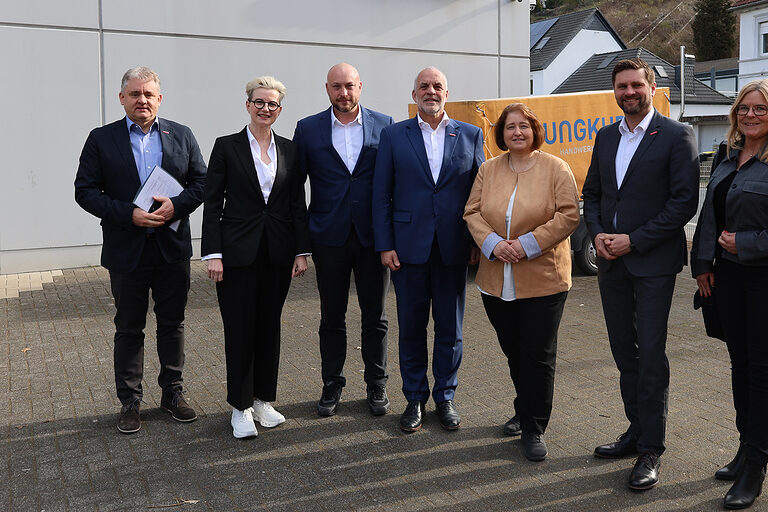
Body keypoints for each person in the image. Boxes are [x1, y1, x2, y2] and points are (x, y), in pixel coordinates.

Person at [581, 58, 699, 489]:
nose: (629, 92)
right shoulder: (606, 136)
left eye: (635, 85)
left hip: (652, 263)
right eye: (621, 86)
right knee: (622, 351)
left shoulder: (675, 135)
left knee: (650, 354)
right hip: (611, 262)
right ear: (614, 91)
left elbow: (683, 203)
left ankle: (652, 448)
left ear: (650, 86)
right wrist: (597, 234)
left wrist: (634, 239)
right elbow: (592, 193)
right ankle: (635, 430)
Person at [74, 66, 206, 434]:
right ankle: (130, 401)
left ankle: (172, 394)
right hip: (126, 250)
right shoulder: (101, 139)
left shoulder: (181, 134)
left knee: (172, 323)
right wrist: (127, 214)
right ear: (122, 99)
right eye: (134, 94)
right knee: (129, 327)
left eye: (148, 94)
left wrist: (176, 207)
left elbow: (202, 182)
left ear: (159, 99)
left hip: (171, 248)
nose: (142, 100)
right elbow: (85, 191)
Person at [463, 103, 579, 461]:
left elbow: (569, 214)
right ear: (501, 134)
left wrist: (526, 245)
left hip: (543, 279)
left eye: (523, 126)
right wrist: (495, 244)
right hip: (497, 279)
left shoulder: (556, 168)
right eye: (510, 127)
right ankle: (524, 408)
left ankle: (534, 427)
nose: (517, 132)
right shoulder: (488, 169)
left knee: (538, 356)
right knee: (515, 352)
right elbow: (472, 212)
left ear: (534, 130)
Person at [372, 67, 484, 432]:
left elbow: (479, 196)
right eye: (424, 86)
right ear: (414, 93)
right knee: (411, 328)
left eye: (437, 86)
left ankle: (446, 397)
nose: (430, 91)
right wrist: (385, 244)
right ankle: (415, 398)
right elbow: (381, 195)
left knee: (451, 329)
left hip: (453, 249)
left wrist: (476, 243)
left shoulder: (470, 134)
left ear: (446, 94)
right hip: (407, 250)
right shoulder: (393, 135)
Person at [201, 76, 310, 439]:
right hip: (235, 254)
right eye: (259, 102)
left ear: (279, 110)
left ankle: (264, 400)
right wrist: (213, 254)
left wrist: (301, 250)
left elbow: (297, 204)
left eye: (273, 104)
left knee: (269, 326)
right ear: (247, 105)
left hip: (277, 253)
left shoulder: (291, 151)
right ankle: (240, 406)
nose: (266, 109)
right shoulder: (226, 147)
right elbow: (213, 203)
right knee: (240, 328)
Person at [293, 63, 393, 417]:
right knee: (331, 316)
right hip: (328, 238)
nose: (344, 93)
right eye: (337, 87)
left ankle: (376, 384)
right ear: (327, 89)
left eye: (349, 86)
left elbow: (392, 185)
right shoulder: (307, 129)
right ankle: (332, 383)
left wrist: (390, 238)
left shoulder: (385, 125)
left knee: (376, 316)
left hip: (371, 238)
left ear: (360, 86)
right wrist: (301, 246)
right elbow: (294, 189)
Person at [691, 79, 768, 510]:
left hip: (763, 279)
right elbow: (708, 216)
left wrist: (749, 243)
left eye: (760, 109)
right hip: (729, 279)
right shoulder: (727, 157)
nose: (751, 115)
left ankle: (757, 462)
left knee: (761, 370)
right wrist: (703, 265)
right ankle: (746, 446)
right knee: (740, 364)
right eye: (745, 108)